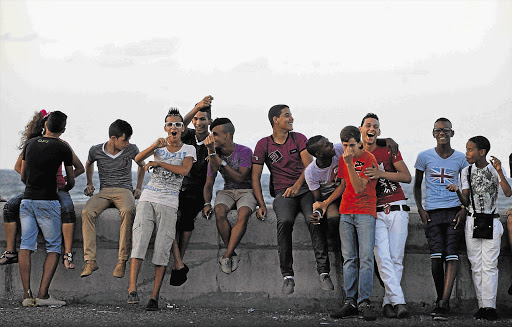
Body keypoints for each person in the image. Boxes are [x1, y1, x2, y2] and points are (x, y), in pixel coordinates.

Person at [252, 104, 332, 295]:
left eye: (291, 115)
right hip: (282, 193)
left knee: (313, 219)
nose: (291, 118)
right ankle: (288, 276)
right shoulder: (264, 144)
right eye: (287, 116)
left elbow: (309, 167)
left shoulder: (299, 138)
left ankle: (324, 272)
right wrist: (261, 204)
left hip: (305, 189)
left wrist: (297, 185)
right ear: (275, 120)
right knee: (285, 221)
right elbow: (255, 177)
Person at [127, 108, 196, 311]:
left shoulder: (188, 149)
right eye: (170, 124)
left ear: (183, 128)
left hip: (169, 200)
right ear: (165, 128)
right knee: (139, 241)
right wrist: (154, 147)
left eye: (177, 124)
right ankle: (132, 289)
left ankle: (154, 296)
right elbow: (138, 160)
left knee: (162, 248)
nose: (173, 128)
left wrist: (160, 163)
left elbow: (184, 170)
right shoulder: (159, 146)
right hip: (148, 197)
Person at [1, 110, 84, 269]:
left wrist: (63, 181)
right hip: (37, 189)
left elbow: (79, 168)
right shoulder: (32, 144)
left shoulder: (63, 145)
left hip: (58, 189)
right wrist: (36, 177)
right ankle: (10, 252)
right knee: (9, 207)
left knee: (67, 210)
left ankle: (67, 254)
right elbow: (19, 167)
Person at [446, 136, 511, 320]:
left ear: (481, 152)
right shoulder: (466, 172)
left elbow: (507, 192)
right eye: (466, 149)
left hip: (492, 220)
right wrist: (458, 191)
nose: (466, 153)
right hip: (473, 221)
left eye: (470, 149)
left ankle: (490, 307)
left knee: (489, 265)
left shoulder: (495, 169)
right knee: (476, 265)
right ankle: (482, 306)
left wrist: (499, 172)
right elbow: (466, 202)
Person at [357, 113, 412, 319]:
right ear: (361, 129)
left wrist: (381, 174)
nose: (371, 128)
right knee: (382, 258)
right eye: (368, 125)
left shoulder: (388, 149)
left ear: (379, 132)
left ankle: (389, 304)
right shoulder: (355, 152)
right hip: (374, 211)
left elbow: (406, 177)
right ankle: (399, 301)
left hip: (397, 206)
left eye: (376, 126)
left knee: (396, 258)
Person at [413, 117, 468, 321]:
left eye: (445, 130)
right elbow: (417, 185)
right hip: (433, 212)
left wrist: (463, 208)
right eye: (437, 130)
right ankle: (440, 298)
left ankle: (443, 303)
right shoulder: (423, 157)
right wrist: (420, 209)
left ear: (452, 133)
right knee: (436, 258)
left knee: (451, 255)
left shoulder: (461, 159)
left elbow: (465, 187)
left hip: (454, 211)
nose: (441, 133)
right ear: (433, 134)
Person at [19, 111, 75, 307]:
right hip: (48, 201)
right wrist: (63, 188)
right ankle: (43, 295)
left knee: (25, 245)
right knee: (53, 247)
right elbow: (71, 180)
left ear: (46, 125)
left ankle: (27, 295)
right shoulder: (62, 147)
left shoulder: (30, 144)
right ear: (63, 129)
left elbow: (23, 176)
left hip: (27, 201)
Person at [81, 119, 145, 278]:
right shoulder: (95, 150)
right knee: (86, 212)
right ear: (113, 138)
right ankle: (90, 261)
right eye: (125, 140)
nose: (127, 143)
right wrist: (89, 183)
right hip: (104, 191)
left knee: (129, 210)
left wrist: (138, 188)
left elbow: (142, 165)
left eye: (129, 139)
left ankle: (122, 261)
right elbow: (88, 163)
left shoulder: (131, 149)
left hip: (124, 190)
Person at [329, 126, 378, 321]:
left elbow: (358, 187)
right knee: (349, 258)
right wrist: (325, 203)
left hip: (365, 211)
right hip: (346, 212)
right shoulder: (343, 159)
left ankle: (364, 301)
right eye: (344, 145)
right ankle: (350, 301)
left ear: (359, 142)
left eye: (351, 145)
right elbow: (343, 185)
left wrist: (350, 164)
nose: (348, 149)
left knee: (366, 258)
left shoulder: (368, 159)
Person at [202, 118, 257, 274]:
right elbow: (209, 183)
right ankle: (232, 253)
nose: (212, 137)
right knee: (219, 211)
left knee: (244, 213)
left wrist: (223, 163)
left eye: (215, 134)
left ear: (227, 135)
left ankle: (226, 255)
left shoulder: (245, 151)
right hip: (227, 192)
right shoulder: (215, 155)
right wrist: (207, 203)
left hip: (246, 190)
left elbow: (240, 177)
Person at [169, 95, 213, 286]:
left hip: (197, 191)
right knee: (167, 217)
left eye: (202, 118)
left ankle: (179, 260)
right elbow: (179, 125)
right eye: (196, 119)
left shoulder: (213, 141)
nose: (198, 122)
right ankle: (178, 263)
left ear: (209, 121)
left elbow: (211, 175)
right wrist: (197, 108)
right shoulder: (187, 137)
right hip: (178, 186)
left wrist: (207, 202)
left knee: (185, 218)